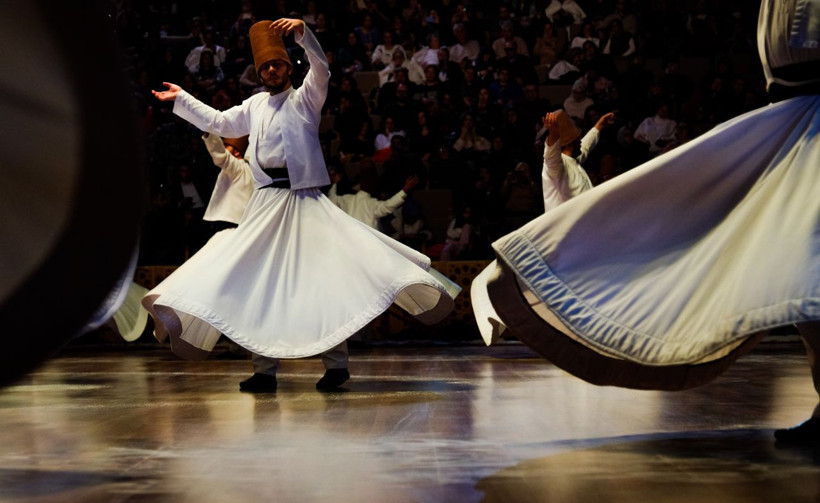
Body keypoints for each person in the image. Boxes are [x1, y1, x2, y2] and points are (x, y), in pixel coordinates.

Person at [472, 0, 820, 443]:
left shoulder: (577, 160)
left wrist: (593, 126)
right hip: (571, 235)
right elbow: (555, 159)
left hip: (590, 231)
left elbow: (585, 148)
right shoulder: (554, 165)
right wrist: (553, 137)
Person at [145, 18, 454, 392]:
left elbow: (321, 68)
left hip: (302, 199)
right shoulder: (255, 104)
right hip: (265, 204)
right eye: (265, 67)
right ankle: (263, 369)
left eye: (277, 65)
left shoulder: (305, 99)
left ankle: (337, 364)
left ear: (289, 68)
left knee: (321, 279)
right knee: (258, 281)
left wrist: (303, 35)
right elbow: (221, 122)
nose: (272, 71)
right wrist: (182, 99)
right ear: (259, 73)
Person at [540, 109, 615, 211]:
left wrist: (599, 125)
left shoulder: (572, 159)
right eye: (578, 140)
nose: (580, 141)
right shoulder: (557, 167)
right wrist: (553, 133)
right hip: (567, 225)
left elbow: (586, 145)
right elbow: (551, 155)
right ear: (570, 144)